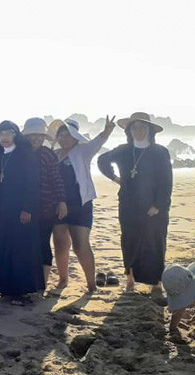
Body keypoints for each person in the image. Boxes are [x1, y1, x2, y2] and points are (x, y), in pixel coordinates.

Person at [98, 112, 172, 299]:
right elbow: (102, 160)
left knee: (155, 242)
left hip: (154, 207)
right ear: (129, 131)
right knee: (130, 241)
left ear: (150, 130)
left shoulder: (160, 152)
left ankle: (156, 283)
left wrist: (159, 204)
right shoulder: (123, 150)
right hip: (128, 205)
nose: (138, 131)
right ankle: (130, 280)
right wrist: (115, 178)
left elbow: (167, 181)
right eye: (135, 127)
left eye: (142, 127)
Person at [49, 116, 117, 292]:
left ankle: (91, 283)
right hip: (58, 204)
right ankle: (63, 279)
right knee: (60, 242)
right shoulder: (54, 154)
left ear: (75, 137)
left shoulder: (83, 151)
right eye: (61, 135)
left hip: (81, 203)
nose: (64, 139)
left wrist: (107, 131)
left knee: (80, 245)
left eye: (68, 135)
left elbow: (97, 143)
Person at [0, 121, 44, 305]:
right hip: (2, 210)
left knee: (20, 249)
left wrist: (27, 208)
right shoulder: (0, 158)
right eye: (1, 134)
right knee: (3, 247)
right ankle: (5, 288)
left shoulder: (25, 155)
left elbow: (32, 183)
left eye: (8, 133)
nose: (4, 137)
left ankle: (20, 291)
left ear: (15, 135)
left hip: (21, 210)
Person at [21, 117, 67, 290]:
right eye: (33, 135)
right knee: (25, 244)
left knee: (42, 244)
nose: (36, 138)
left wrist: (62, 201)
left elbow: (57, 179)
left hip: (46, 206)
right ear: (26, 136)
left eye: (40, 135)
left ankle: (42, 284)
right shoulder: (19, 153)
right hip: (22, 208)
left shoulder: (48, 154)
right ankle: (26, 281)